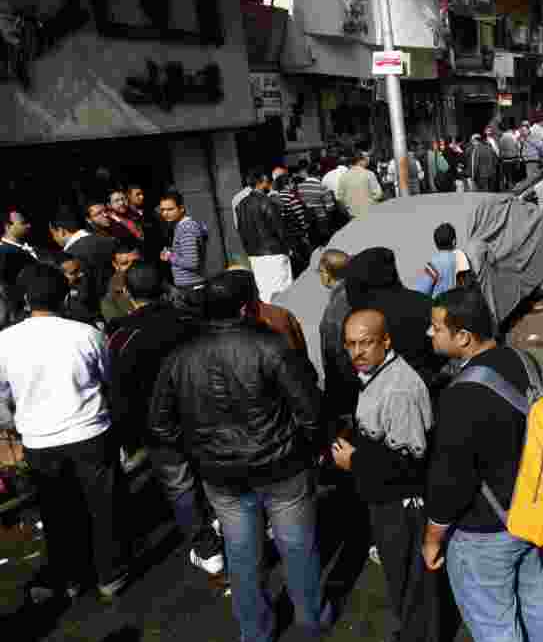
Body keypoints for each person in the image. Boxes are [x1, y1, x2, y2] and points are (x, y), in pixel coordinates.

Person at [149, 270, 332, 642]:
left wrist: (199, 450)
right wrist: (307, 449)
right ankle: (310, 616)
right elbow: (310, 411)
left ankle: (255, 629)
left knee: (242, 551)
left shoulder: (180, 357)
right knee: (296, 545)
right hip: (281, 467)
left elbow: (160, 425)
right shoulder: (270, 345)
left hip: (224, 475)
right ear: (249, 307)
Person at [421, 286, 543, 642]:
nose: (430, 332)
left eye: (437, 327)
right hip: (530, 510)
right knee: (536, 598)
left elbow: (451, 482)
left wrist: (432, 538)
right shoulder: (524, 361)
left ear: (463, 337)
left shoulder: (461, 396)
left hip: (485, 531)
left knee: (495, 625)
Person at [0, 264, 128, 602]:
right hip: (90, 432)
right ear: (64, 296)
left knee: (57, 511)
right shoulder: (86, 334)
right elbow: (108, 379)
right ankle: (110, 574)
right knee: (103, 507)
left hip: (39, 440)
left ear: (26, 300)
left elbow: (1, 397)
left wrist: (14, 423)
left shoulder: (5, 342)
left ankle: (70, 576)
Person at [105, 262, 224, 574]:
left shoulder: (122, 337)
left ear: (127, 293)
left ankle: (207, 549)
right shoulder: (192, 322)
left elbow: (120, 392)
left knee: (180, 487)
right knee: (213, 473)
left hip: (157, 428)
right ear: (164, 286)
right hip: (203, 415)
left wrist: (128, 436)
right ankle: (223, 523)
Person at [331, 309, 439, 642]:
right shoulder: (376, 375)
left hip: (401, 506)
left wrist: (354, 461)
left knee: (410, 583)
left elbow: (409, 463)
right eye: (350, 344)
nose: (357, 352)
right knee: (401, 578)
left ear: (386, 341)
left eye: (365, 343)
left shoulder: (398, 390)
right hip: (386, 501)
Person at [345, 247, 440, 386]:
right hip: (429, 387)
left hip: (379, 392)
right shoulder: (424, 303)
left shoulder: (356, 320)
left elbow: (348, 368)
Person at [236, 170, 294, 302]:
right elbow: (279, 228)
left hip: (254, 255)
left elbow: (240, 230)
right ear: (261, 183)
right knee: (283, 291)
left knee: (265, 292)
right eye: (267, 181)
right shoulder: (267, 202)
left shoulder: (241, 204)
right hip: (274, 253)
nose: (269, 183)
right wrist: (289, 247)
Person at [319, 250, 360, 417]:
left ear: (327, 274)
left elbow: (334, 356)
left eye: (320, 271)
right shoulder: (358, 293)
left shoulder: (334, 311)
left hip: (349, 388)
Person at [50, 207, 116, 308]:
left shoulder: (69, 258)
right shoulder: (108, 240)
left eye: (53, 234)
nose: (54, 238)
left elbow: (82, 293)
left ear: (61, 231)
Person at [158, 191, 209, 298]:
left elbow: (192, 262)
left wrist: (170, 256)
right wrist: (172, 252)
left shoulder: (186, 229)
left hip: (192, 288)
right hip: (191, 286)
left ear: (181, 208)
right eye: (162, 210)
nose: (165, 213)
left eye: (170, 209)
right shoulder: (181, 226)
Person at [414, 223, 472, 298]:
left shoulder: (434, 264)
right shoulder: (463, 259)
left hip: (440, 304)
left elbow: (421, 292)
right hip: (461, 303)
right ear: (454, 241)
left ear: (436, 244)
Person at [295, 161, 339, 247]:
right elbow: (330, 207)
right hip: (322, 221)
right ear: (318, 175)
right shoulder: (322, 187)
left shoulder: (299, 187)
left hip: (308, 221)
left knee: (316, 245)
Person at [100, 241, 142, 323]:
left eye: (135, 262)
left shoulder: (155, 279)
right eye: (125, 263)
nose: (131, 267)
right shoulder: (110, 299)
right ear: (115, 265)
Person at [338, 152, 384, 219]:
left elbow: (340, 198)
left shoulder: (343, 177)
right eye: (366, 158)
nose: (368, 160)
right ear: (360, 161)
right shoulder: (369, 174)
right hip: (369, 212)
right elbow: (378, 194)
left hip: (352, 214)